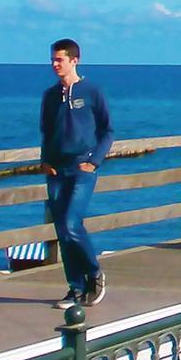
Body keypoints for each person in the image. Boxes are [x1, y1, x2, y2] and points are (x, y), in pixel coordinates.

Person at [40, 38, 112, 306]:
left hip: (82, 167)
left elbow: (107, 130)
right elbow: (46, 130)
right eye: (52, 59)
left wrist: (95, 161)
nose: (55, 64)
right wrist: (45, 159)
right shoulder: (50, 95)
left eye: (60, 59)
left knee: (72, 223)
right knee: (62, 229)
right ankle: (76, 287)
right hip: (56, 170)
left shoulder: (91, 91)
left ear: (74, 60)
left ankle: (94, 273)